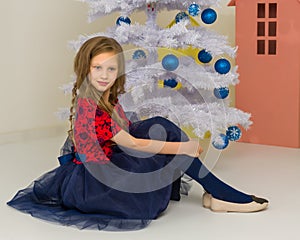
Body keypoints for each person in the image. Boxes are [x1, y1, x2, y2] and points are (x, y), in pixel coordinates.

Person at [7, 36, 268, 231]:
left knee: (159, 124)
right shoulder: (93, 108)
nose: (104, 75)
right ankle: (219, 193)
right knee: (169, 144)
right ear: (85, 68)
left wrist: (173, 139)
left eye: (110, 69)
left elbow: (126, 129)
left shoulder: (106, 96)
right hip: (98, 182)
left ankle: (215, 192)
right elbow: (132, 142)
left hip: (110, 156)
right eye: (97, 68)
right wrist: (184, 148)